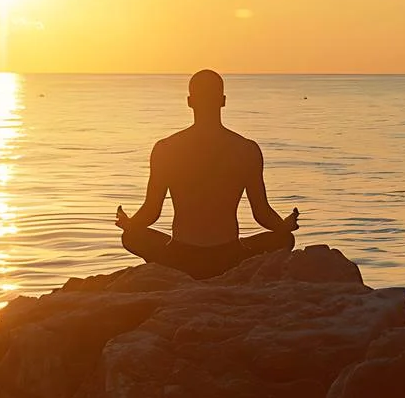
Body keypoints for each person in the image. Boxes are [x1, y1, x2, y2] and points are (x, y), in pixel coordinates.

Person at [116, 70, 300, 278]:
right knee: (284, 240)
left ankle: (168, 268)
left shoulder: (166, 148)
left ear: (189, 101)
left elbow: (151, 211)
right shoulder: (247, 149)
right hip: (229, 257)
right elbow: (262, 213)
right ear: (223, 101)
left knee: (131, 236)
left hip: (179, 256)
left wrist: (129, 224)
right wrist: (284, 226)